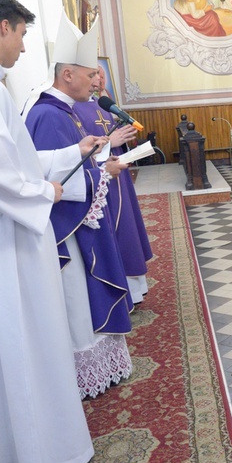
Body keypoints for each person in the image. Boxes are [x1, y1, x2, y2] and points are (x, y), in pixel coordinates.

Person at [0, 0, 98, 463]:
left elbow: (15, 161)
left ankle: (24, 441)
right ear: (4, 26)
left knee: (20, 335)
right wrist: (42, 194)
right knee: (29, 337)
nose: (25, 48)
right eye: (24, 33)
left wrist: (74, 153)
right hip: (9, 227)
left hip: (0, 222)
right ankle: (43, 448)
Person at [25, 16, 135, 399]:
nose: (96, 82)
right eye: (91, 74)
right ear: (67, 73)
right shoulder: (48, 115)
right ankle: (79, 368)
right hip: (67, 231)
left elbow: (73, 166)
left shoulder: (65, 110)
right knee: (75, 296)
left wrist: (98, 164)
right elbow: (53, 181)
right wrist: (107, 170)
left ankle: (95, 364)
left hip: (80, 219)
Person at [73, 67, 153, 305]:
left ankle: (135, 289)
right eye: (92, 74)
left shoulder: (101, 103)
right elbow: (79, 148)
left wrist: (122, 138)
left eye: (98, 74)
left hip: (119, 174)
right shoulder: (73, 108)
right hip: (100, 177)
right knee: (115, 231)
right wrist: (111, 143)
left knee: (127, 229)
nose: (97, 79)